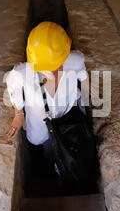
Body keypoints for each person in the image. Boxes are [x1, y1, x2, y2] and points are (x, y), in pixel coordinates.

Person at [5, 21, 89, 176]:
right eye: (42, 66)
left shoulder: (75, 61)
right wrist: (19, 114)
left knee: (69, 142)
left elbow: (82, 73)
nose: (48, 71)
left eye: (52, 65)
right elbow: (13, 86)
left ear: (64, 55)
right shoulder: (22, 72)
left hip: (67, 117)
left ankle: (63, 163)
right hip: (40, 122)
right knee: (47, 146)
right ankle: (54, 162)